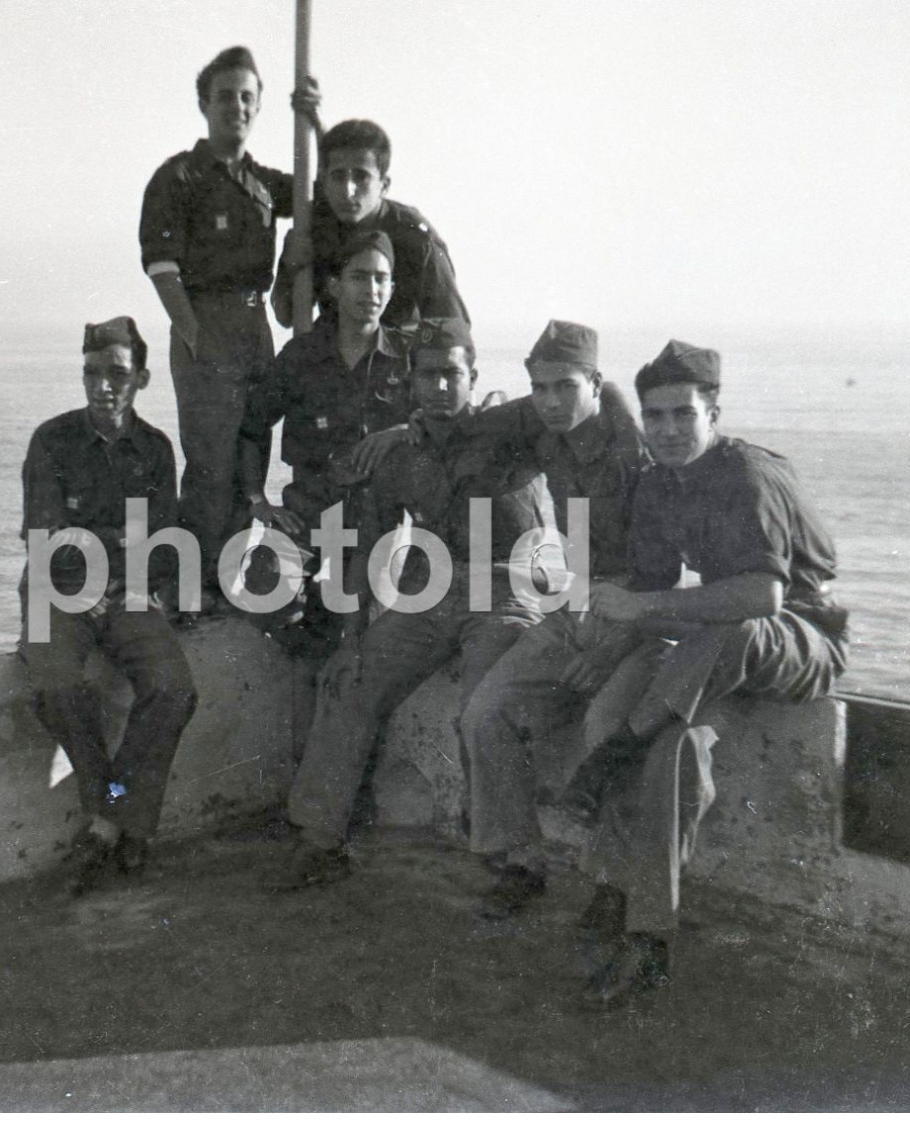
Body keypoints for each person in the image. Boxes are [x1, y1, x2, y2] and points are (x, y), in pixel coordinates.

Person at [478, 339, 847, 1008]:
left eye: (683, 414)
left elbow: (760, 597)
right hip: (711, 644)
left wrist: (645, 609)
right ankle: (642, 928)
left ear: (713, 411)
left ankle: (622, 747)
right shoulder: (655, 482)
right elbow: (647, 586)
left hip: (797, 635)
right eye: (655, 417)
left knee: (727, 632)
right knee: (665, 748)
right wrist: (615, 640)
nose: (669, 430)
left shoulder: (745, 474)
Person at [269, 316, 561, 890]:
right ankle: (323, 838)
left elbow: (567, 413)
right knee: (349, 679)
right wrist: (353, 636)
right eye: (429, 376)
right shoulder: (400, 454)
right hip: (430, 593)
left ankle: (518, 859)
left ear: (473, 377)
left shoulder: (511, 430)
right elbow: (374, 547)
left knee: (488, 696)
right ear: (411, 383)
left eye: (453, 374)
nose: (442, 387)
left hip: (507, 590)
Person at [459, 320, 649, 920]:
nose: (549, 402)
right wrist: (401, 431)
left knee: (607, 729)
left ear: (595, 383)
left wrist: (615, 644)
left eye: (564, 387)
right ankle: (522, 861)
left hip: (639, 616)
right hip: (575, 605)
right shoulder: (547, 430)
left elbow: (670, 577)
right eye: (539, 388)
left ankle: (613, 888)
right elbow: (475, 426)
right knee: (484, 712)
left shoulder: (635, 459)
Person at [18, 317, 198, 897]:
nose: (103, 386)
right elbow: (47, 537)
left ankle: (108, 817)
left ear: (142, 378)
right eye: (92, 373)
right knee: (58, 687)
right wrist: (117, 550)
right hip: (59, 592)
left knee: (173, 688)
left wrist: (124, 564)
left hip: (126, 595)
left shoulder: (155, 450)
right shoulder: (51, 441)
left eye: (117, 373)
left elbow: (163, 542)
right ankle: (122, 817)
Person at [139, 46, 298, 612]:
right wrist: (195, 336)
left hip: (256, 326)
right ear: (205, 103)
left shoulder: (261, 182)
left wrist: (314, 117)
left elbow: (319, 190)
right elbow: (161, 267)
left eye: (249, 97)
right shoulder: (179, 176)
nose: (238, 106)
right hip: (206, 322)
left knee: (252, 454)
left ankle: (229, 578)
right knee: (212, 464)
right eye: (227, 95)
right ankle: (193, 587)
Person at [237, 229, 411, 644]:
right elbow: (252, 426)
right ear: (334, 285)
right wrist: (258, 500)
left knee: (366, 626)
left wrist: (401, 432)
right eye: (358, 277)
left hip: (375, 523)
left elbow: (447, 422)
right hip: (307, 516)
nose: (371, 289)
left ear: (391, 287)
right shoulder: (301, 356)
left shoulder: (407, 358)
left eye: (380, 279)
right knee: (264, 594)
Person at [270, 117, 467, 334]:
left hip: (397, 360)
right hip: (334, 360)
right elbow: (286, 315)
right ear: (324, 181)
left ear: (384, 185)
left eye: (361, 177)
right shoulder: (316, 231)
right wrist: (291, 267)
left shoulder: (414, 237)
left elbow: (452, 328)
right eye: (338, 177)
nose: (348, 191)